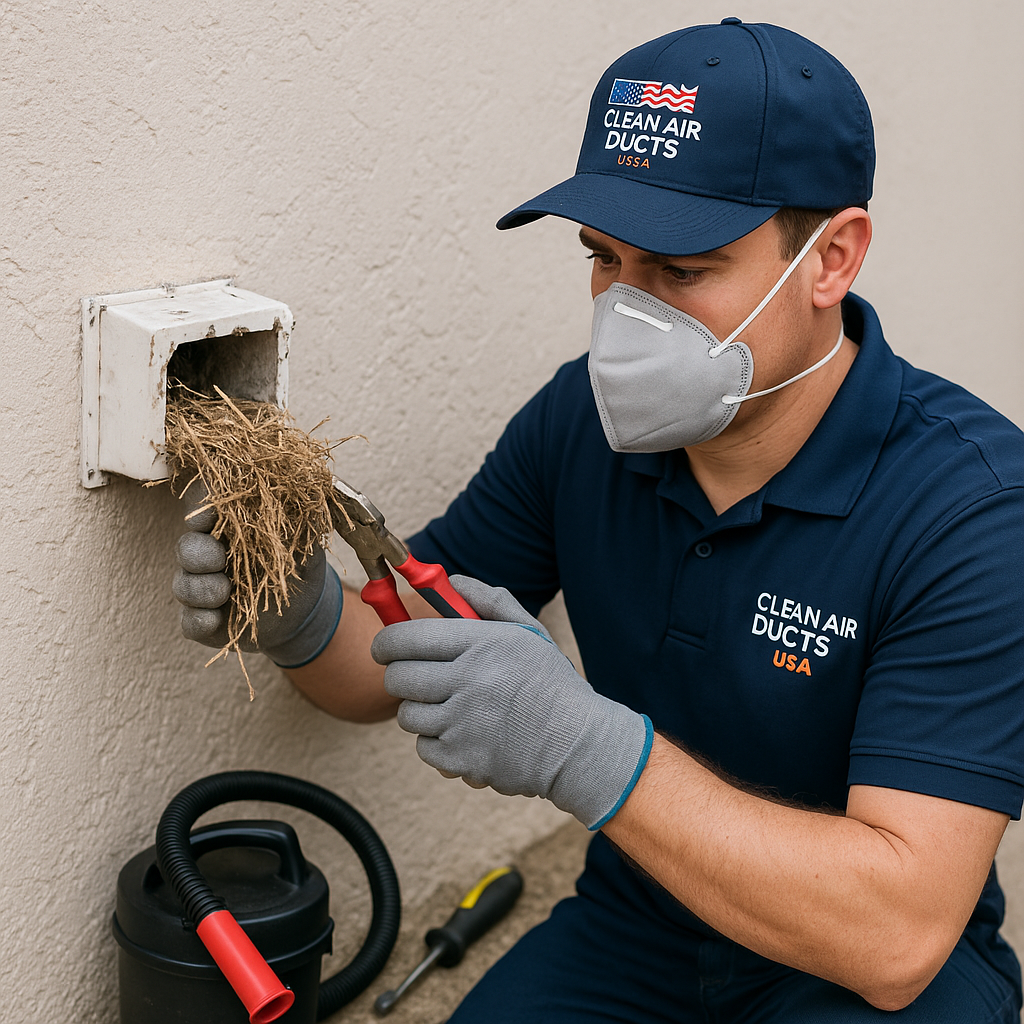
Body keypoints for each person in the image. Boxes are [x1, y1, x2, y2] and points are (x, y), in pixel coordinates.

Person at [173, 19, 1024, 1022]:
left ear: (830, 259)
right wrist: (300, 612)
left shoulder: (972, 510)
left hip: (852, 967)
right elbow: (385, 655)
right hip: (637, 934)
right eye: (604, 258)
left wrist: (589, 750)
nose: (626, 314)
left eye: (680, 269)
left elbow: (895, 934)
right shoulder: (580, 423)